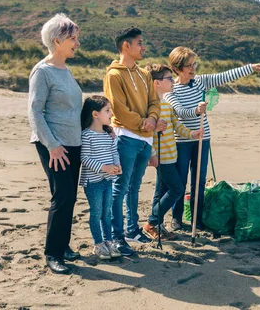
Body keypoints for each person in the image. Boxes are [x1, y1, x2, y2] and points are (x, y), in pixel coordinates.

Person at [165, 46, 260, 230]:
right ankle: (176, 218)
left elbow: (225, 75)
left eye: (194, 64)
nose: (193, 68)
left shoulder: (200, 82)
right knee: (180, 181)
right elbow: (180, 112)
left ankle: (197, 220)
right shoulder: (170, 90)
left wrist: (250, 67)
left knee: (199, 179)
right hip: (182, 141)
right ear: (176, 68)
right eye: (188, 65)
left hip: (202, 139)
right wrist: (196, 111)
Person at [28, 13, 83, 274]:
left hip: (73, 143)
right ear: (57, 40)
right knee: (62, 197)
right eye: (73, 38)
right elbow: (35, 111)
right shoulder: (43, 71)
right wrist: (52, 145)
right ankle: (53, 253)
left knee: (70, 197)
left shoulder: (65, 69)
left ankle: (63, 245)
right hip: (53, 145)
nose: (77, 43)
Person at [103, 27, 161, 255]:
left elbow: (154, 102)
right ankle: (117, 237)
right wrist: (143, 123)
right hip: (125, 138)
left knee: (135, 187)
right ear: (126, 46)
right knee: (120, 188)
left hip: (145, 140)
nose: (143, 47)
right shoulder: (113, 75)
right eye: (139, 43)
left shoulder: (144, 74)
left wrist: (153, 118)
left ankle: (132, 230)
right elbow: (118, 109)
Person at [144, 64, 203, 240]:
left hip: (172, 156)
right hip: (161, 157)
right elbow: (147, 134)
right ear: (156, 83)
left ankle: (157, 225)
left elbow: (176, 125)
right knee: (177, 188)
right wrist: (152, 153)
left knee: (160, 192)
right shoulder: (150, 107)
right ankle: (152, 222)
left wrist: (192, 133)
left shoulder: (167, 104)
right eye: (169, 79)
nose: (172, 81)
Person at [79, 95, 122, 260]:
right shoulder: (87, 135)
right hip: (93, 182)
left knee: (106, 212)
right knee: (96, 213)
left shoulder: (108, 134)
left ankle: (109, 241)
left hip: (107, 180)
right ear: (95, 114)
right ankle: (98, 244)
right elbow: (85, 158)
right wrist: (104, 168)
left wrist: (117, 166)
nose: (111, 113)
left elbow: (114, 152)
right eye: (107, 110)